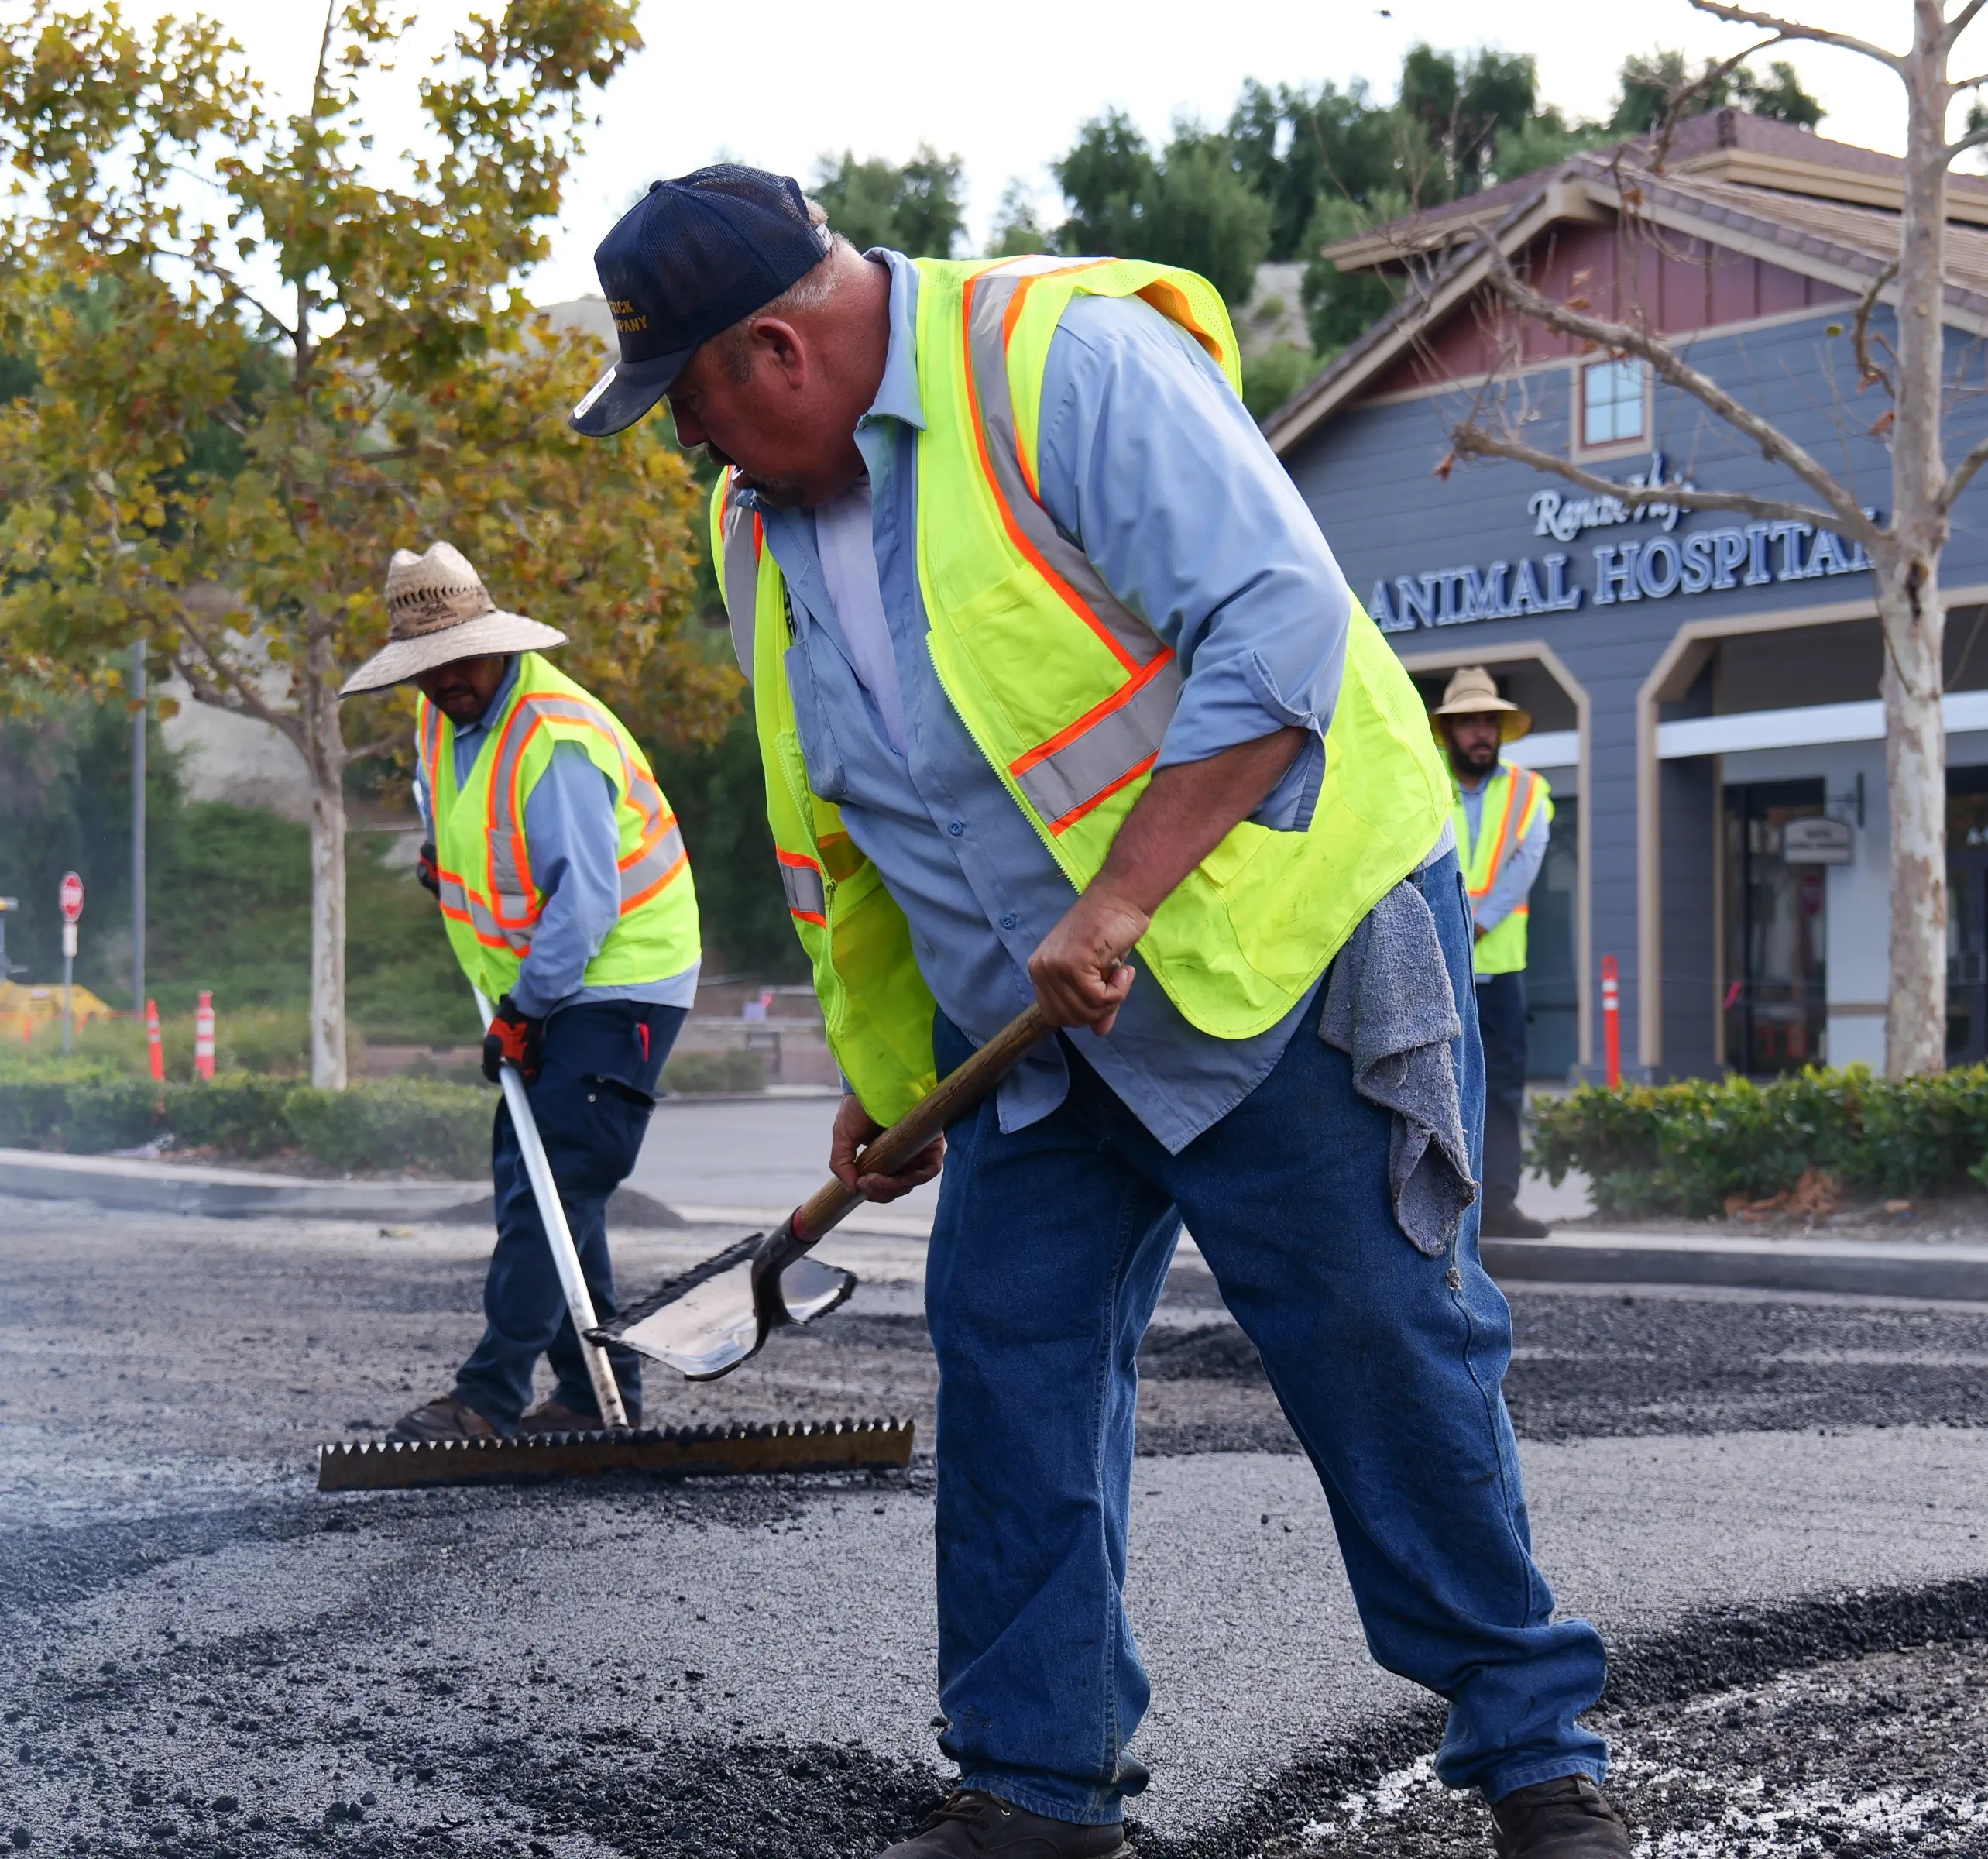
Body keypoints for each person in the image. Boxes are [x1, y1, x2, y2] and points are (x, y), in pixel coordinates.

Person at [572, 166, 1628, 1859]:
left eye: (686, 400)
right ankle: (1035, 1787)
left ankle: (1532, 1754)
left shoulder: (1064, 370)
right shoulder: (754, 521)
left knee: (1379, 1344)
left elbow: (1273, 636)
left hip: (1266, 957)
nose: (687, 447)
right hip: (1037, 1027)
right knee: (1011, 1360)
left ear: (770, 346)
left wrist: (1121, 895)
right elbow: (845, 812)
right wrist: (883, 1064)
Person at [339, 541, 700, 1441]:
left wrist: (522, 1013)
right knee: (547, 1181)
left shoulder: (557, 737)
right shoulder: (443, 719)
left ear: (496, 639)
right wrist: (439, 860)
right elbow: (462, 820)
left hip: (618, 980)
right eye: (427, 665)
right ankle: (591, 1398)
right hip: (548, 985)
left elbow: (583, 905)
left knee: (551, 1182)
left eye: (460, 656)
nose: (447, 678)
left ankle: (487, 1398)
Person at [1430, 668, 1555, 1242]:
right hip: (1435, 962)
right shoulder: (1424, 782)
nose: (1480, 732)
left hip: (1499, 965)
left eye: (1489, 721)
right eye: (1468, 722)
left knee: (1502, 1086)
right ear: (1448, 731)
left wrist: (1474, 923)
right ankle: (1438, 1207)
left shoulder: (1530, 790)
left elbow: (1524, 865)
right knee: (1434, 1083)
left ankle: (1498, 1203)